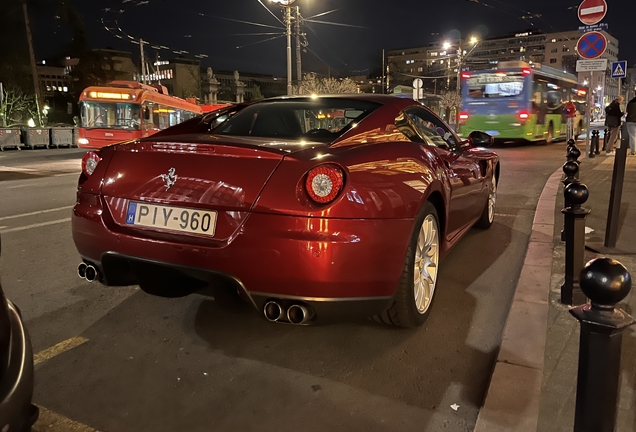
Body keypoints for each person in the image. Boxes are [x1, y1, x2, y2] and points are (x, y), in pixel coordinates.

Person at [626, 92, 636, 156]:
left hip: (631, 120)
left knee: (632, 136)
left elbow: (627, 110)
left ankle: (633, 151)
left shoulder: (630, 102)